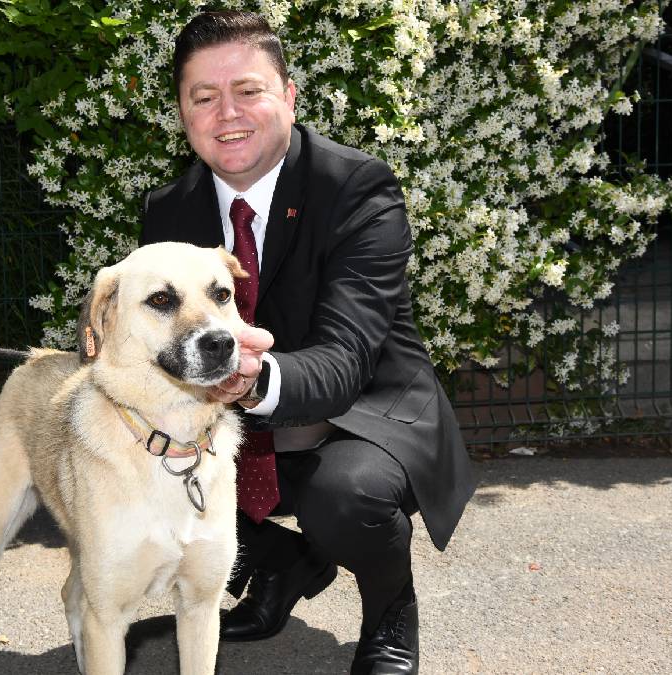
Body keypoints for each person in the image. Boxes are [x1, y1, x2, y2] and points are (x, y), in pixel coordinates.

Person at [141, 10, 476, 675]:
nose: (226, 112)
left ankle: (389, 609)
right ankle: (278, 561)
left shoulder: (356, 188)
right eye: (202, 97)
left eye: (248, 90)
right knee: (115, 456)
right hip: (238, 428)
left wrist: (254, 380)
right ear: (181, 113)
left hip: (361, 416)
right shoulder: (167, 212)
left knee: (342, 497)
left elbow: (347, 356)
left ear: (289, 96)